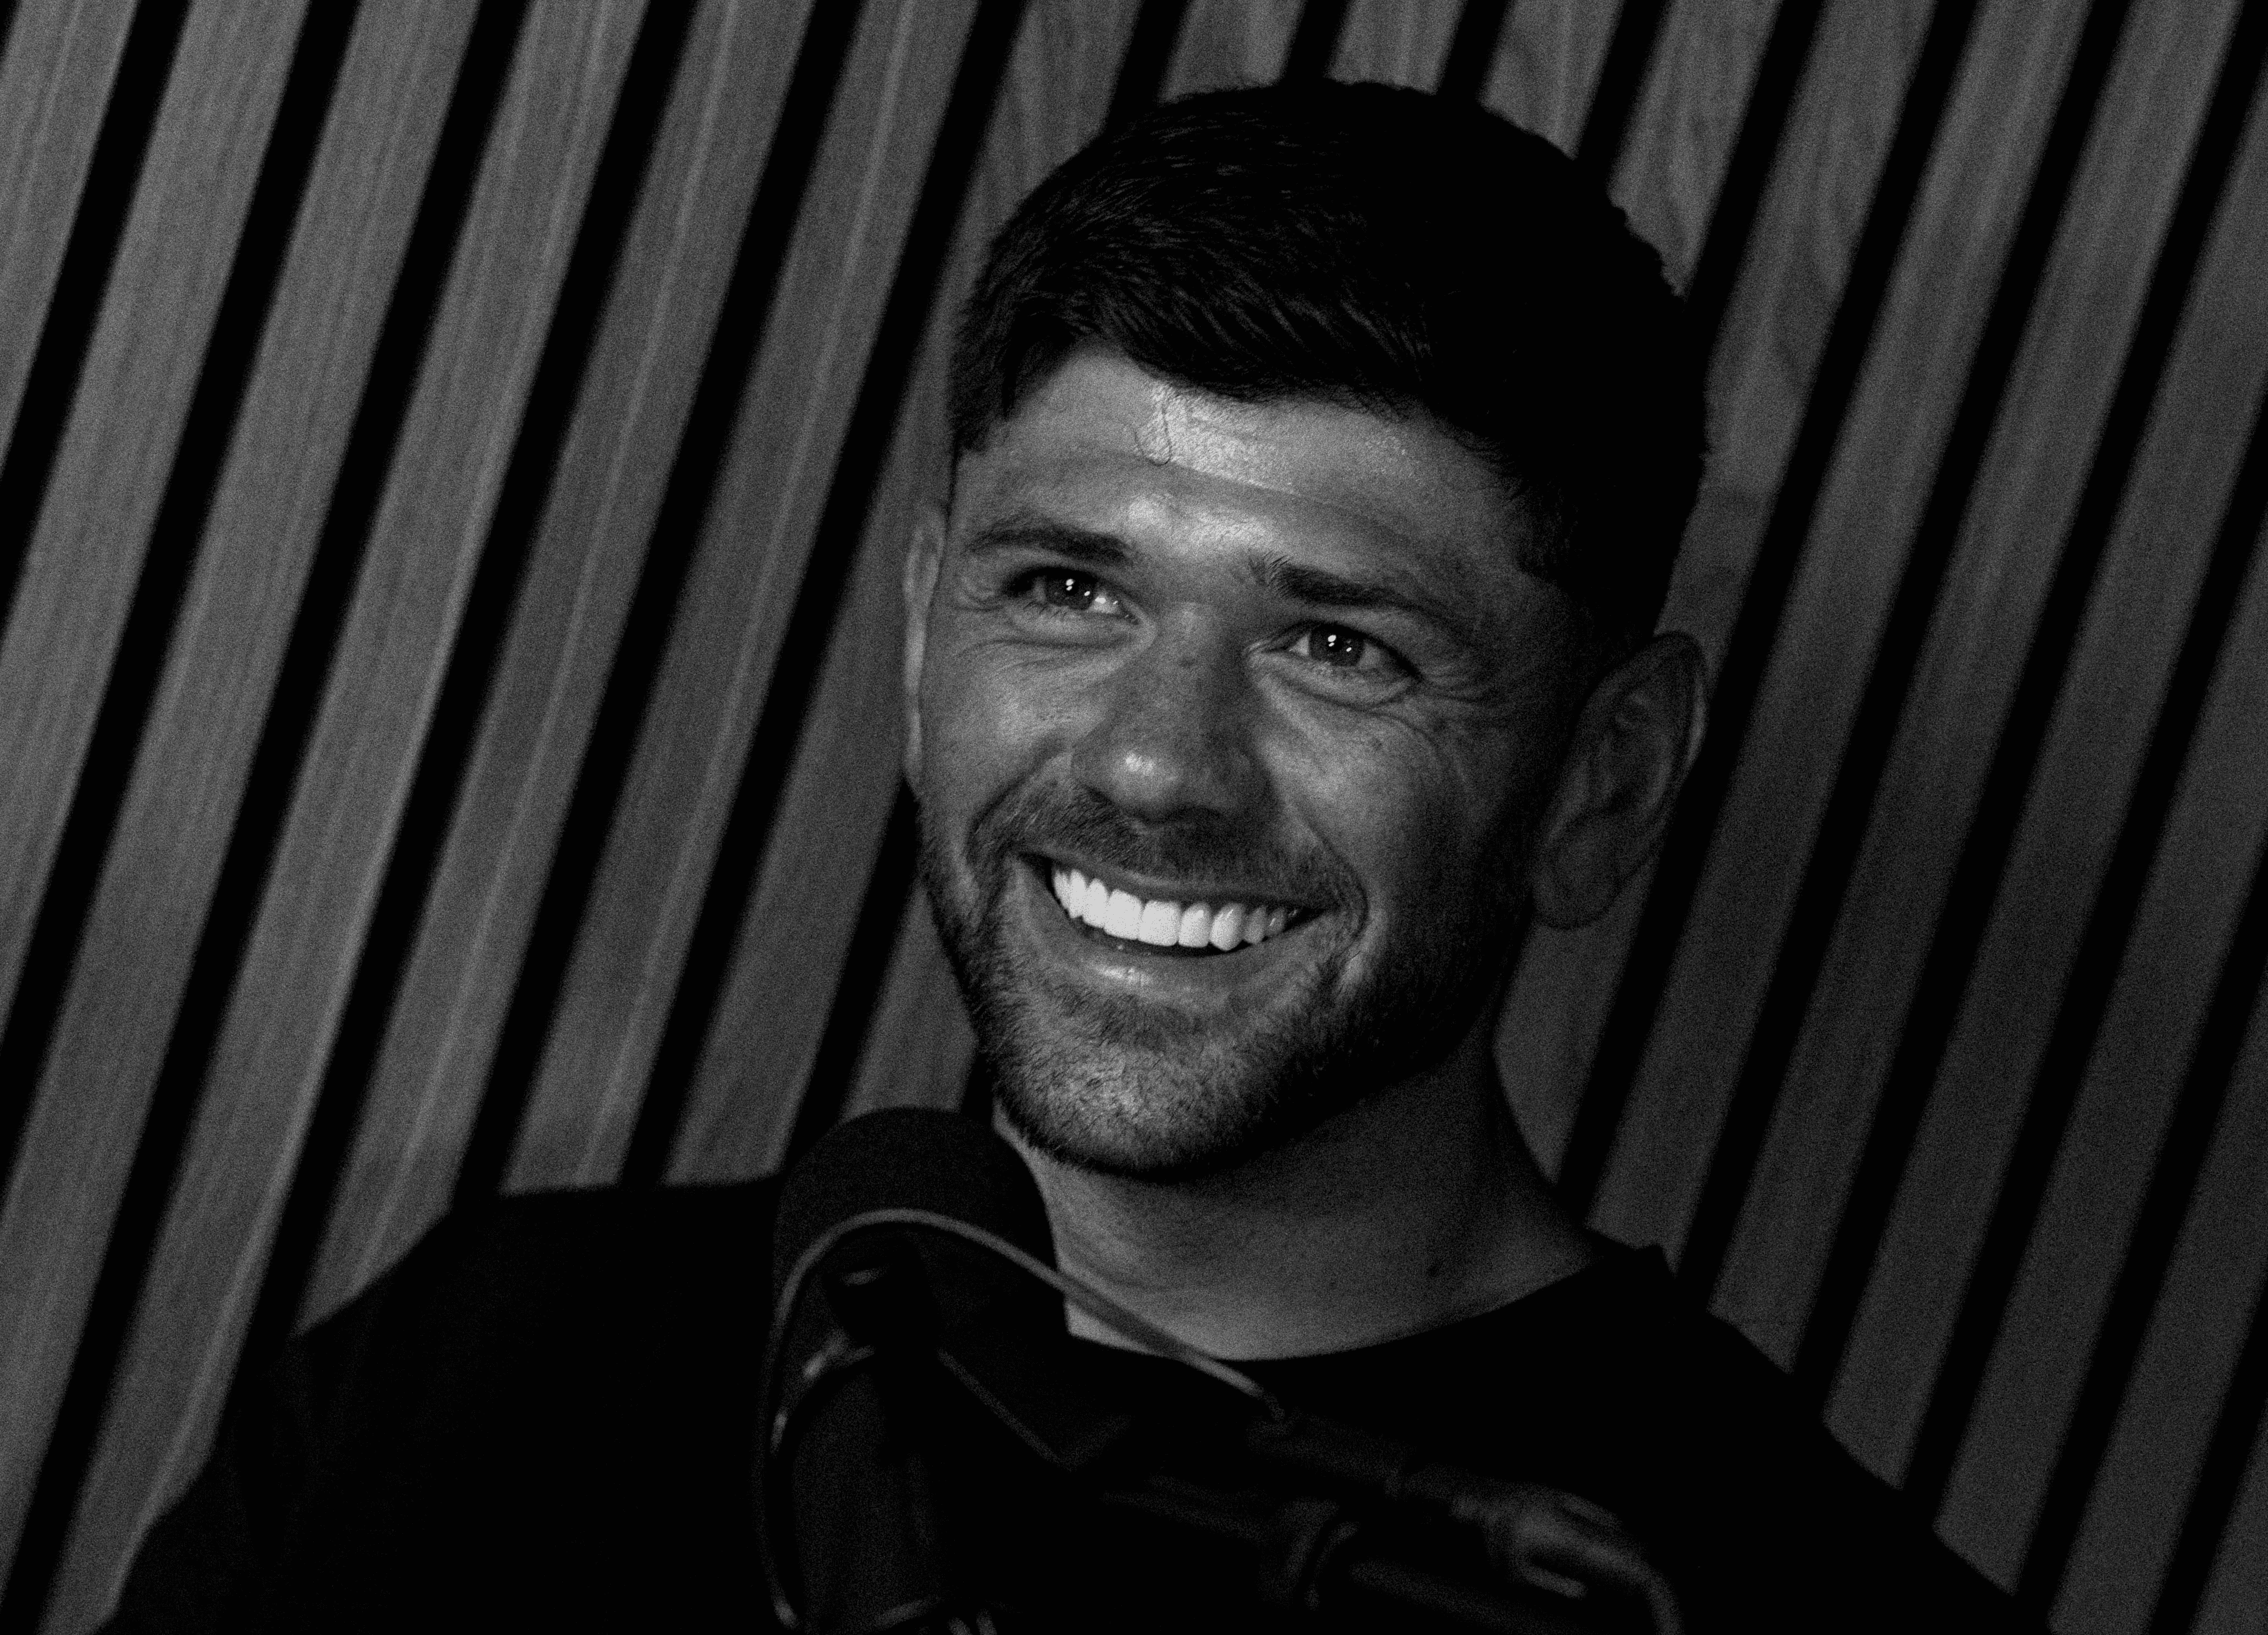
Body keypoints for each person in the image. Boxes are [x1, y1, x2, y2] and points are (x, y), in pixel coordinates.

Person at [104, 82, 2029, 1632]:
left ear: (1602, 782)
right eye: (1068, 591)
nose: (1153, 764)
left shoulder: (1759, 1596)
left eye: (1336, 643)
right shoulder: (501, 1371)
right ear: (923, 635)